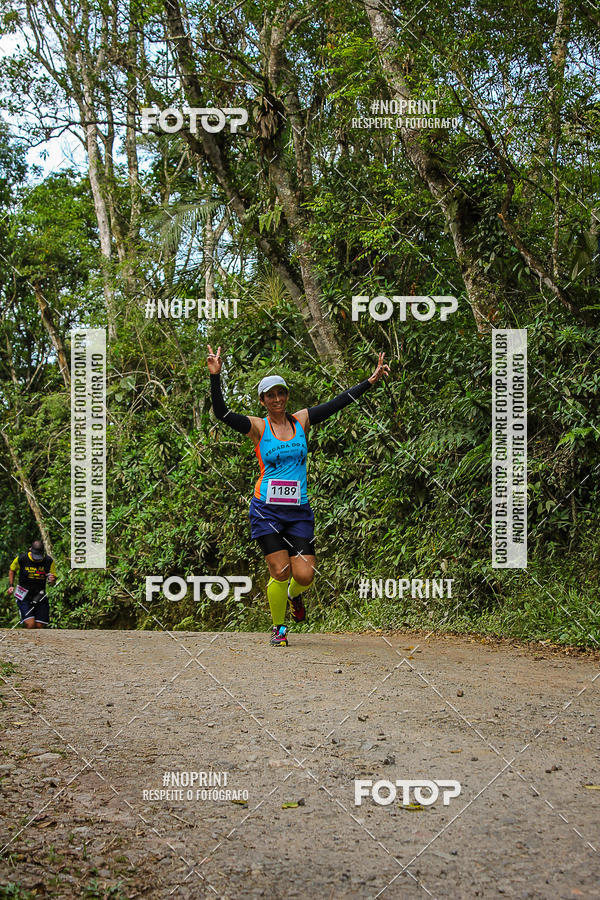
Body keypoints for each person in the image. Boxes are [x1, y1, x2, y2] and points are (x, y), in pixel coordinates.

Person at [208, 346, 390, 646]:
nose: (277, 399)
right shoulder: (257, 427)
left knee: (304, 575)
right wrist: (216, 377)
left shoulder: (301, 421)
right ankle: (279, 628)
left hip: (298, 511)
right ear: (263, 400)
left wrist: (369, 382)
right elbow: (222, 413)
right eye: (270, 395)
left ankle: (294, 597)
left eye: (281, 393)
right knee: (279, 570)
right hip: (266, 509)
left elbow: (337, 403)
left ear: (286, 396)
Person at [7, 540, 56, 628]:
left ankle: (37, 642)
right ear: (30, 550)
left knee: (39, 625)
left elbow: (52, 582)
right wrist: (11, 585)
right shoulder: (21, 558)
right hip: (23, 594)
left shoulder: (49, 561)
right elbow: (12, 570)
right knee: (30, 624)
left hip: (39, 595)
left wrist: (52, 580)